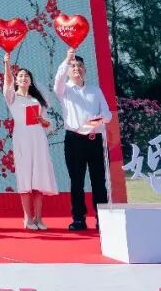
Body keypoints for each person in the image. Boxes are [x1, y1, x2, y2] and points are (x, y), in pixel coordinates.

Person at [54, 48, 112, 231]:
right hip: (74, 140)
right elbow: (58, 80)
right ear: (68, 71)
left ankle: (102, 218)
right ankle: (79, 218)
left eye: (79, 65)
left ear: (85, 70)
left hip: (94, 139)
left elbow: (108, 115)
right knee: (77, 180)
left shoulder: (95, 90)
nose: (76, 68)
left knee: (98, 180)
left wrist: (93, 123)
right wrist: (67, 59)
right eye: (72, 66)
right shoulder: (64, 90)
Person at [2, 53, 57, 230]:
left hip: (38, 138)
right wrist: (7, 63)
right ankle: (27, 218)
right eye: (20, 76)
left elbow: (47, 122)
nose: (24, 78)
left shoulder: (36, 100)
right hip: (22, 138)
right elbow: (7, 82)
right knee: (26, 177)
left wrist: (44, 122)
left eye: (26, 76)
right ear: (16, 80)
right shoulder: (12, 97)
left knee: (38, 178)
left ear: (31, 81)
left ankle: (39, 218)